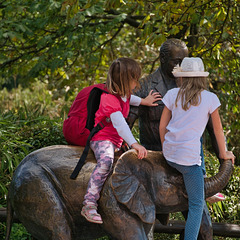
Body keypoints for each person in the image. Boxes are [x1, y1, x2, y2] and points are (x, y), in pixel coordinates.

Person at [159, 57, 235, 240]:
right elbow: (217, 130)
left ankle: (201, 185)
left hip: (170, 154)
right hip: (187, 161)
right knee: (195, 205)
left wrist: (165, 148)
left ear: (182, 78)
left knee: (194, 144)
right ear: (202, 78)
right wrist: (223, 153)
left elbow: (162, 127)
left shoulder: (172, 94)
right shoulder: (210, 98)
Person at [80, 57, 162, 224]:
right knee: (106, 162)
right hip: (102, 139)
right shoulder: (109, 99)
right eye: (134, 78)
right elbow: (120, 125)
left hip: (115, 141)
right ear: (125, 80)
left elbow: (130, 99)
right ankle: (89, 204)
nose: (137, 82)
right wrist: (134, 144)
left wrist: (144, 101)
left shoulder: (124, 95)